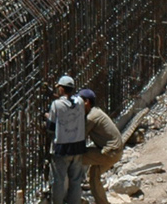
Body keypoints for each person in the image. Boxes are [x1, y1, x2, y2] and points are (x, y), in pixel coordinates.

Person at [79, 89, 126, 204]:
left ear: (87, 102)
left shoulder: (91, 117)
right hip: (114, 152)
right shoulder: (95, 112)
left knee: (75, 158)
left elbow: (79, 136)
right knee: (94, 176)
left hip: (110, 153)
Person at [46, 76, 88, 204]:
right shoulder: (80, 101)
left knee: (59, 180)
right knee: (75, 180)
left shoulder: (56, 105)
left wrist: (47, 117)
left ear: (62, 89)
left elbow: (51, 127)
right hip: (78, 146)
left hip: (62, 147)